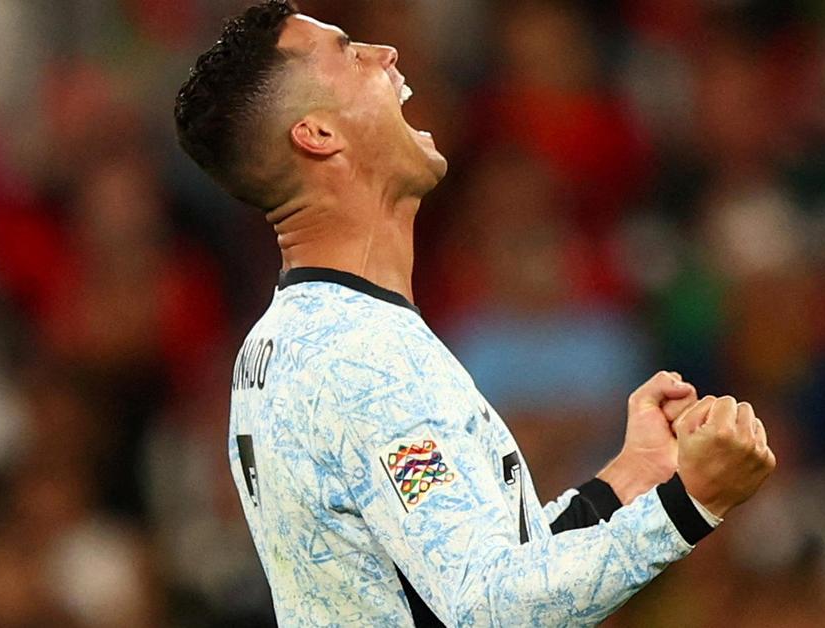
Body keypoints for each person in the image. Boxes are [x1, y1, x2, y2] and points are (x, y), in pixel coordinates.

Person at [173, 1, 775, 625]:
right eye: (350, 53)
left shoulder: (284, 340)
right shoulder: (360, 355)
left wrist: (629, 479)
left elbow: (471, 575)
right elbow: (489, 610)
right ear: (318, 134)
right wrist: (688, 506)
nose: (386, 54)